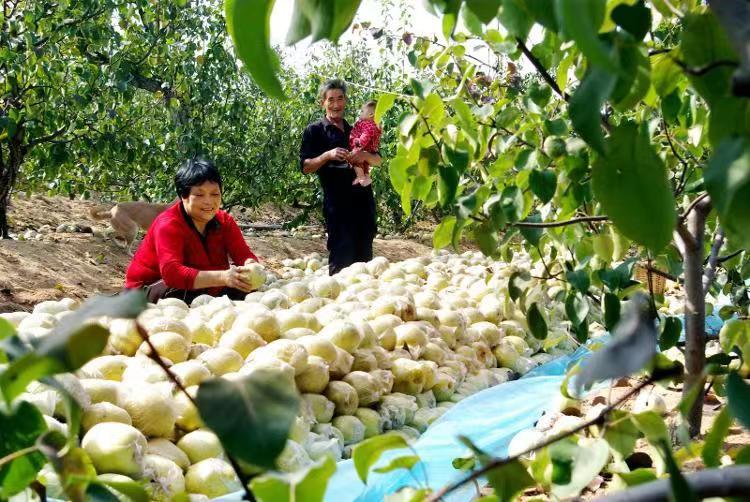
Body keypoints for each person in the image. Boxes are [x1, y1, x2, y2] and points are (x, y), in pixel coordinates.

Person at [125, 157, 259, 303]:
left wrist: (251, 266)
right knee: (185, 291)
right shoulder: (168, 224)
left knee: (243, 285)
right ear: (184, 196)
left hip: (203, 286)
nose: (208, 201)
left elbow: (243, 254)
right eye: (200, 195)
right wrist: (224, 277)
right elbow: (173, 274)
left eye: (215, 194)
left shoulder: (224, 221)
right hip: (150, 290)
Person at [299, 79, 382, 275]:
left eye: (340, 99)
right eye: (331, 100)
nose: (336, 105)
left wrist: (364, 156)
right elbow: (305, 166)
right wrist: (327, 155)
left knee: (364, 258)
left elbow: (378, 159)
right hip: (338, 205)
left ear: (345, 101)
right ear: (323, 103)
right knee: (341, 256)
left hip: (363, 201)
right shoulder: (315, 131)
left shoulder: (359, 129)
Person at [349, 100, 382, 187]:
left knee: (356, 158)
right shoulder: (372, 124)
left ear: (371, 114)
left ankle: (361, 177)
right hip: (369, 149)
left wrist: (357, 143)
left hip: (364, 147)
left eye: (362, 111)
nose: (360, 113)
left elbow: (365, 137)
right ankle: (366, 176)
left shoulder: (368, 125)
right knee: (364, 163)